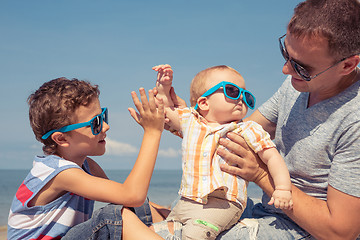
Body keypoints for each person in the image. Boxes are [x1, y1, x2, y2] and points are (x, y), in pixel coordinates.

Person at [7, 77, 166, 239]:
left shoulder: (87, 166)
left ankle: (179, 227)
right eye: (95, 123)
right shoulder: (59, 172)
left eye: (103, 116)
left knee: (134, 208)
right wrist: (152, 132)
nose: (106, 126)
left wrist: (174, 215)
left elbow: (128, 199)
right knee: (111, 218)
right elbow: (133, 195)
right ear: (61, 139)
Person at [152, 64, 292, 239]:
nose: (241, 98)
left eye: (246, 95)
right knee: (162, 232)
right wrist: (163, 87)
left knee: (194, 235)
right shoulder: (191, 122)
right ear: (203, 103)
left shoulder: (247, 129)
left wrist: (283, 189)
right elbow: (166, 111)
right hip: (187, 200)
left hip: (224, 203)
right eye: (232, 91)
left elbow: (272, 157)